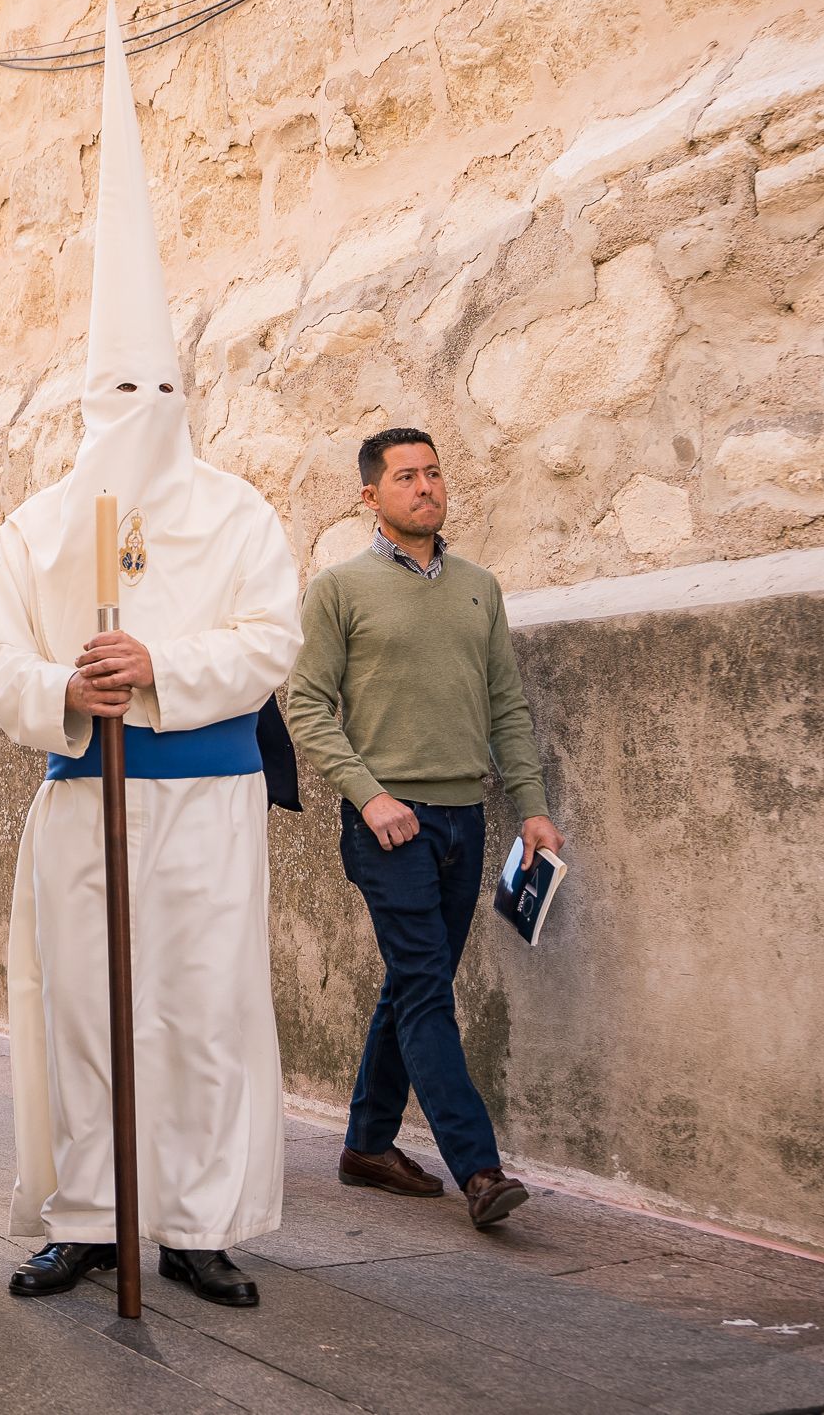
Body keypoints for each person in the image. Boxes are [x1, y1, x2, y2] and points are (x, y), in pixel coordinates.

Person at [0, 7, 301, 1309]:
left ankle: (203, 1218)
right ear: (85, 398)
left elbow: (269, 637)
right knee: (85, 1018)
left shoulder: (237, 512)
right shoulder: (40, 523)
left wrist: (153, 662)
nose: (138, 421)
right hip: (80, 797)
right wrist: (64, 687)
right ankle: (93, 1214)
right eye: (118, 397)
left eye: (155, 394)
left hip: (206, 796)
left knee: (205, 1014)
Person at [281, 427, 562, 1229]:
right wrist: (370, 796)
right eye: (405, 476)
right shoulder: (339, 588)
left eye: (434, 472)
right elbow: (305, 704)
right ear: (371, 496)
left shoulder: (480, 586)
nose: (425, 486)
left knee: (413, 980)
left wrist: (533, 808)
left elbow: (506, 704)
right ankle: (479, 1169)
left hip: (464, 819)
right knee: (429, 987)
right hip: (388, 825)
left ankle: (367, 1144)